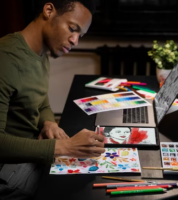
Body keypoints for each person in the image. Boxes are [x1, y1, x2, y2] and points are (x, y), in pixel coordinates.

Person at [0, 0, 105, 199]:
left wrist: (48, 122)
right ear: (49, 11)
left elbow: (42, 102)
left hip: (33, 154)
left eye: (80, 35)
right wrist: (66, 146)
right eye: (72, 29)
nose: (75, 41)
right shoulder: (5, 59)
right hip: (9, 171)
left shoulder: (39, 53)